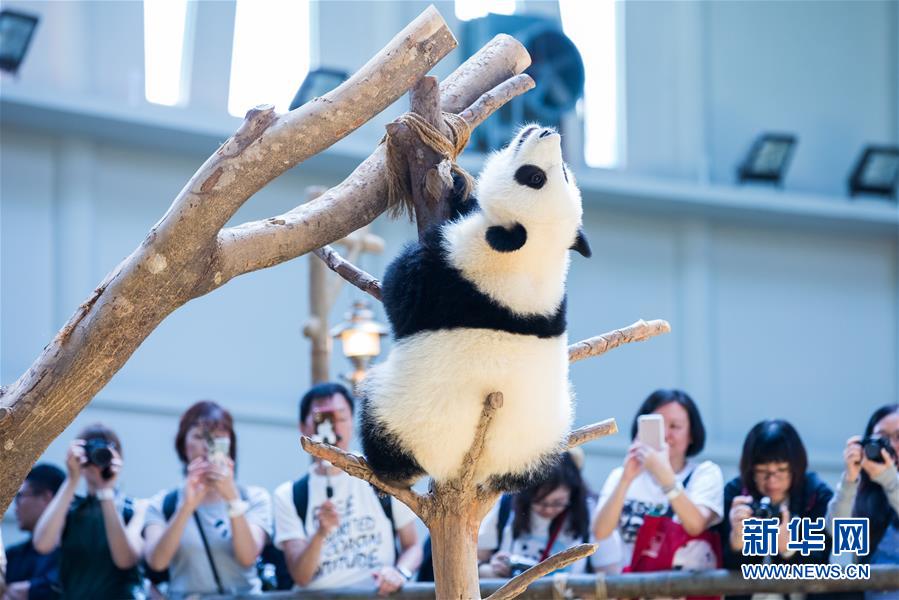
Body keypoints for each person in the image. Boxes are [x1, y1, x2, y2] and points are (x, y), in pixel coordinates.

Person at [272, 383, 422, 595]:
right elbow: (300, 576)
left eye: (341, 418)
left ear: (353, 422)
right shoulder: (289, 495)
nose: (333, 427)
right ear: (304, 427)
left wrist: (400, 572)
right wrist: (320, 534)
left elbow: (412, 546)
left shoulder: (380, 475)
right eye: (322, 419)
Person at [143, 400, 272, 598]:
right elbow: (157, 562)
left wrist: (232, 499)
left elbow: (248, 557)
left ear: (230, 445)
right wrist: (186, 507)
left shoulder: (253, 497)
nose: (207, 446)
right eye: (198, 436)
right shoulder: (162, 503)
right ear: (183, 445)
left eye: (217, 437)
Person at [593, 389, 724, 570]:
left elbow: (696, 525)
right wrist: (626, 479)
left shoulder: (705, 473)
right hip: (634, 591)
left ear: (692, 434)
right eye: (658, 426)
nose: (665, 435)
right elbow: (600, 532)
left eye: (675, 426)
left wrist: (665, 476)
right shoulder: (620, 475)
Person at [719, 420, 834, 599]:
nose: (772, 480)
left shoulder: (815, 494)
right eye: (762, 471)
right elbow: (724, 569)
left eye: (781, 470)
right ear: (750, 470)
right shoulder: (736, 494)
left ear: (796, 467)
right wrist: (736, 542)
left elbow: (822, 562)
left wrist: (789, 549)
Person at [32, 424, 145, 599]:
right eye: (90, 451)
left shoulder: (135, 508)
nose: (96, 457)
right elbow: (42, 544)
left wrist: (106, 490)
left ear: (117, 458)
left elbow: (125, 560)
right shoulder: (70, 509)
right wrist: (71, 478)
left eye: (104, 451)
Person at [477, 451, 621, 577]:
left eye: (558, 503)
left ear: (572, 494)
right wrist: (493, 569)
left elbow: (609, 577)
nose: (548, 509)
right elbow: (475, 564)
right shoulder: (506, 504)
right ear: (525, 494)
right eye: (539, 502)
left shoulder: (591, 511)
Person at [826, 404, 898, 600]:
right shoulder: (866, 495)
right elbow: (842, 537)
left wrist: (890, 479)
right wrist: (850, 480)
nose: (891, 446)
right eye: (882, 439)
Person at [5, 464, 66, 600]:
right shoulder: (13, 556)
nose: (14, 507)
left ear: (46, 498)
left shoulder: (79, 552)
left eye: (20, 496)